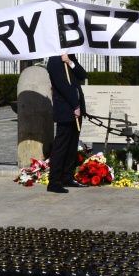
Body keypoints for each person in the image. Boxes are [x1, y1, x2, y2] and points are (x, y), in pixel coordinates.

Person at [46, 53, 87, 193]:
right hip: (66, 109)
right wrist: (75, 105)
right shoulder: (54, 60)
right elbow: (62, 84)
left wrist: (70, 62)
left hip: (76, 110)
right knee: (61, 146)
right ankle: (54, 181)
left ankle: (67, 177)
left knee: (72, 145)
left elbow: (82, 74)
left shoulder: (69, 57)